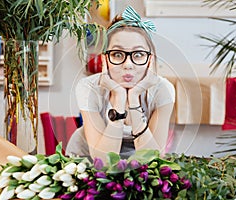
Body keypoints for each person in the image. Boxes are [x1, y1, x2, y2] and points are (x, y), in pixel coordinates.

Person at [66, 6, 175, 161]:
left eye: (138, 54)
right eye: (117, 54)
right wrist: (119, 98)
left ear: (149, 60)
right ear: (105, 60)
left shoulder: (163, 90)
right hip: (86, 159)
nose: (128, 64)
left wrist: (134, 97)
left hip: (138, 161)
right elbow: (103, 161)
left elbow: (153, 159)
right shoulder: (88, 88)